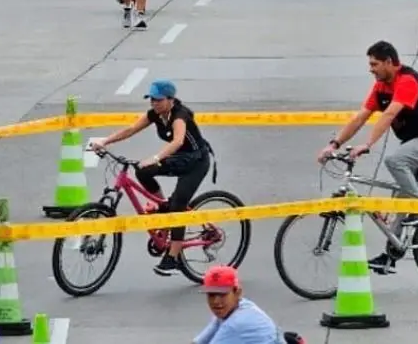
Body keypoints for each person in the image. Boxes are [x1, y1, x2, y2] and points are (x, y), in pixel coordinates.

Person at [317, 40, 418, 274]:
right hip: (413, 141)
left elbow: (390, 113)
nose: (370, 69)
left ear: (389, 62)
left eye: (374, 64)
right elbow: (361, 117)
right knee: (400, 196)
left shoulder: (407, 81)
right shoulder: (381, 86)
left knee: (395, 161)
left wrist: (367, 145)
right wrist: (334, 144)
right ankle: (391, 255)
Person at [91, 79, 214, 275]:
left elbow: (177, 141)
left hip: (196, 162)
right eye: (151, 99)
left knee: (178, 206)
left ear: (170, 99)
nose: (153, 103)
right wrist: (105, 141)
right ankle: (163, 203)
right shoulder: (154, 115)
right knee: (142, 171)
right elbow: (130, 130)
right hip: (179, 159)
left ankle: (173, 257)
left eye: (158, 99)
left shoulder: (179, 116)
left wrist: (155, 158)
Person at [194, 266, 286, 343]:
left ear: (237, 293)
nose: (216, 301)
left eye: (222, 294)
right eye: (211, 295)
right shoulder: (235, 307)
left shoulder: (236, 324)